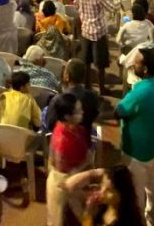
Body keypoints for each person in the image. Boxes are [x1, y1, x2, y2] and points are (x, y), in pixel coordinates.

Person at [114, 47, 154, 225]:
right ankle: (152, 218)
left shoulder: (139, 92)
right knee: (151, 185)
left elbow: (119, 111)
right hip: (152, 144)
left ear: (144, 69)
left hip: (136, 149)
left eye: (136, 62)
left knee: (136, 193)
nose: (132, 65)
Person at [46, 93, 90, 226]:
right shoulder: (62, 141)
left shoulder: (74, 128)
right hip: (65, 185)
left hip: (74, 182)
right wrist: (86, 163)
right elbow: (61, 167)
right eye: (77, 111)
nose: (82, 113)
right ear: (67, 116)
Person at [74, 0, 117, 95]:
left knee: (86, 61)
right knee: (101, 64)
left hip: (85, 30)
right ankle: (102, 89)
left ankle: (87, 85)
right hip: (99, 32)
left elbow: (77, 7)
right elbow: (112, 9)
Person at [62, 165, 144, 226]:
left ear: (121, 195)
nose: (102, 191)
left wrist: (88, 214)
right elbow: (67, 186)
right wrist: (96, 172)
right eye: (102, 185)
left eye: (109, 190)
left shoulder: (126, 221)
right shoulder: (103, 208)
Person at [45, 58, 100, 133]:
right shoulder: (92, 98)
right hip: (84, 139)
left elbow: (50, 124)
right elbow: (93, 116)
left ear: (67, 76)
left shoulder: (58, 100)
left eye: (65, 70)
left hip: (62, 140)